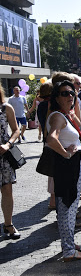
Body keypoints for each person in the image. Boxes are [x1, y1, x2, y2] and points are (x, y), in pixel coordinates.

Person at [46, 80, 81, 261]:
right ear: (57, 97)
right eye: (65, 93)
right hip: (66, 168)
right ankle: (69, 250)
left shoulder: (65, 114)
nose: (70, 96)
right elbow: (51, 139)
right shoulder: (57, 116)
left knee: (70, 207)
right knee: (66, 208)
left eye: (72, 93)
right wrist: (66, 154)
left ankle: (69, 243)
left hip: (71, 167)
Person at [0, 84, 21, 239]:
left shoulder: (5, 108)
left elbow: (16, 130)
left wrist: (8, 144)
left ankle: (8, 225)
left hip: (4, 155)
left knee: (7, 190)